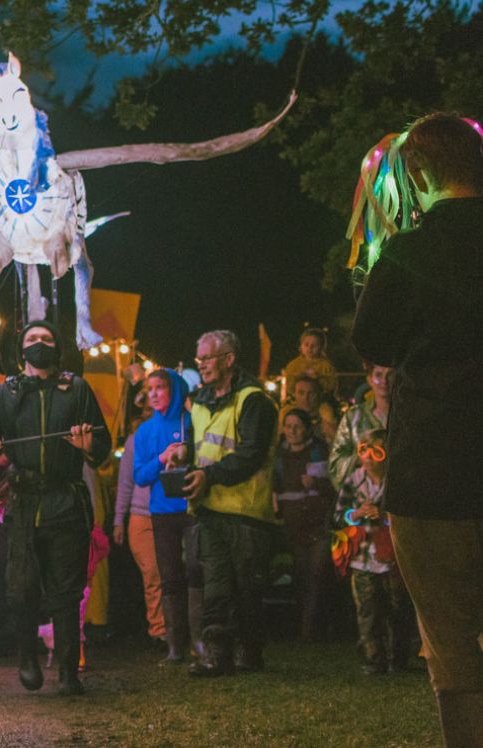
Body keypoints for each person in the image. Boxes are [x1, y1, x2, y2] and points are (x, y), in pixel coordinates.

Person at [350, 112, 483, 746]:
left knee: (452, 643)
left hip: (433, 474)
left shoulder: (408, 252)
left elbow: (371, 339)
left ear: (421, 175)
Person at [0, 320, 110, 696]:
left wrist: (87, 445)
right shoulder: (4, 394)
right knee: (21, 590)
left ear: (57, 346)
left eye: (47, 338)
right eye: (32, 339)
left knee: (66, 592)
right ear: (22, 348)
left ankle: (67, 671)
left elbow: (103, 444)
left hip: (65, 502)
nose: (39, 344)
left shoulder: (76, 388)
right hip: (23, 504)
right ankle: (27, 657)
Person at [169, 329, 279, 678]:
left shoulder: (253, 400)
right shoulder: (199, 401)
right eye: (199, 358)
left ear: (229, 359)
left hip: (246, 510)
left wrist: (209, 475)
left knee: (247, 586)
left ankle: (248, 651)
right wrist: (183, 453)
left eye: (207, 358)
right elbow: (201, 443)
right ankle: (216, 654)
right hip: (209, 508)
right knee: (215, 584)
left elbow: (251, 454)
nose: (201, 365)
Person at [334, 430, 416, 675]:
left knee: (397, 607)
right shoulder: (353, 481)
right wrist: (355, 515)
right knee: (367, 610)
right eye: (363, 451)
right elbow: (339, 516)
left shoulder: (396, 484)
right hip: (362, 556)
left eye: (376, 452)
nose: (368, 458)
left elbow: (407, 518)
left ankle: (397, 658)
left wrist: (384, 517)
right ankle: (373, 659)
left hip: (392, 557)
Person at [130, 369, 195, 663]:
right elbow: (140, 477)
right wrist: (161, 458)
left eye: (161, 387)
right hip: (161, 511)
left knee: (196, 573)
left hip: (192, 508)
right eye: (150, 388)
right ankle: (175, 644)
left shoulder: (191, 422)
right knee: (169, 576)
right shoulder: (145, 431)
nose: (154, 393)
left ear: (176, 390)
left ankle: (199, 641)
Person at [272, 408, 336, 642]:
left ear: (307, 428)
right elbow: (276, 488)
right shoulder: (279, 456)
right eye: (288, 427)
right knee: (301, 573)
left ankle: (312, 630)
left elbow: (331, 486)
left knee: (317, 573)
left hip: (317, 522)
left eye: (297, 426)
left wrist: (316, 483)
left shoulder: (318, 451)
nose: (292, 431)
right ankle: (302, 628)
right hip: (292, 523)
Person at [112, 432, 161, 644]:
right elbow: (126, 481)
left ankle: (171, 627)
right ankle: (159, 629)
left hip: (167, 512)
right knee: (152, 573)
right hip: (141, 514)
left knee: (168, 573)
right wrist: (119, 519)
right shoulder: (136, 439)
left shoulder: (182, 429)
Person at [328, 365, 391, 493]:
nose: (384, 381)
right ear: (369, 379)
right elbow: (336, 462)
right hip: (364, 495)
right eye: (378, 375)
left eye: (390, 376)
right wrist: (362, 458)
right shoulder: (354, 416)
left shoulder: (406, 417)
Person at [282, 328, 339, 397]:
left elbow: (332, 387)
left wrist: (317, 379)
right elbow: (289, 388)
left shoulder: (327, 366)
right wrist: (297, 378)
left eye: (314, 345)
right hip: (297, 401)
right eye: (306, 344)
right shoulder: (293, 365)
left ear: (321, 347)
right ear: (301, 346)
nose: (310, 348)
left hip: (320, 401)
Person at [285, 375, 337, 444]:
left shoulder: (327, 422)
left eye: (311, 394)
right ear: (294, 394)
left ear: (319, 395)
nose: (306, 398)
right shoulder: (287, 419)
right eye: (301, 393)